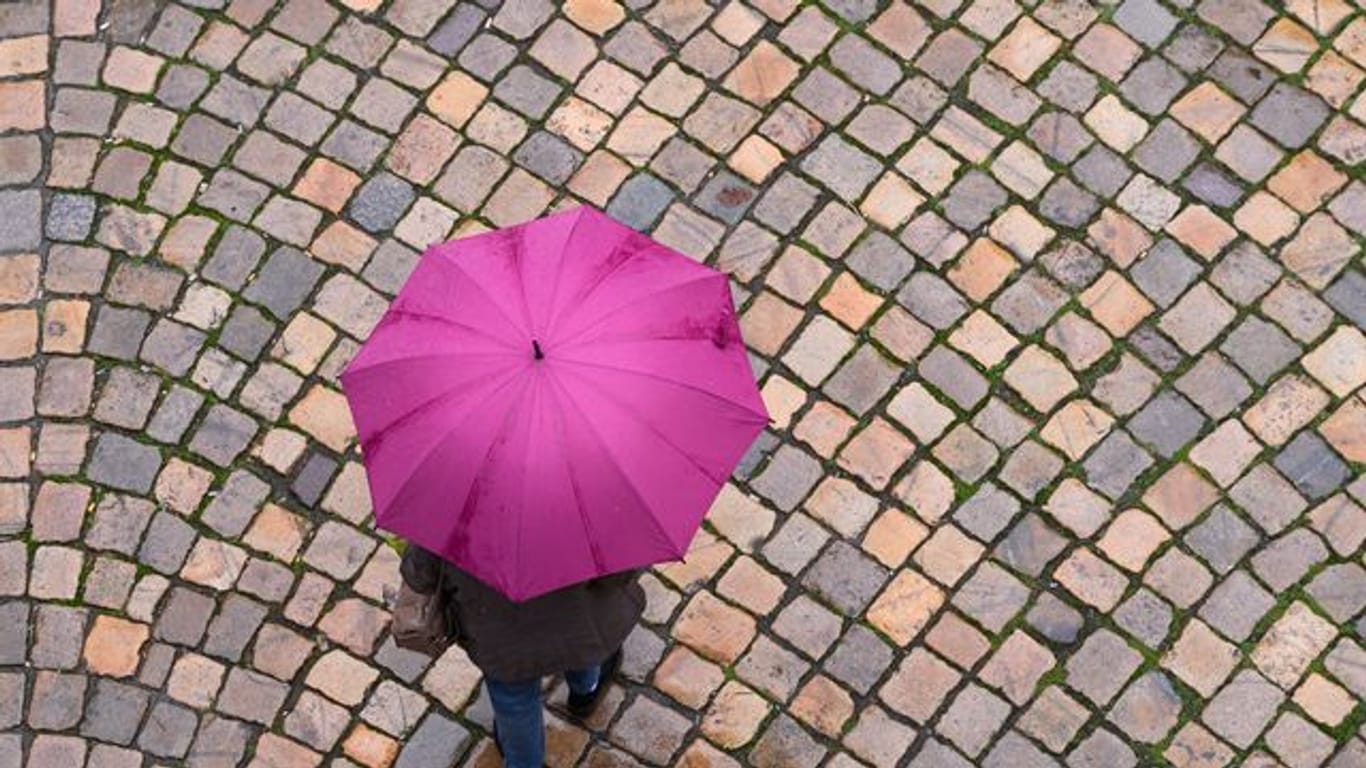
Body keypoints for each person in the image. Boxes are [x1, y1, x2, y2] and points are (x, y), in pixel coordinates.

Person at [399, 543, 645, 767]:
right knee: (585, 655)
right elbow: (619, 575)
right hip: (577, 625)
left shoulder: (452, 509)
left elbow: (420, 575)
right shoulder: (591, 508)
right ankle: (584, 694)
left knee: (514, 704)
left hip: (500, 641)